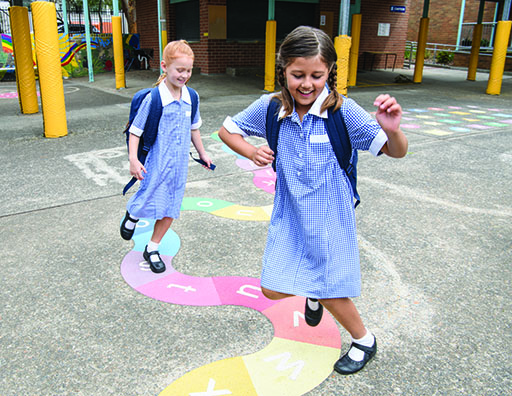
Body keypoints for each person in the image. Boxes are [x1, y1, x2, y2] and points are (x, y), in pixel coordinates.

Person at [218, 26, 407, 375]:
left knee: (331, 287)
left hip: (331, 216)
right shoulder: (271, 109)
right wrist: (251, 150)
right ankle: (312, 291)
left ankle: (364, 339)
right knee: (272, 288)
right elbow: (227, 129)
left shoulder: (343, 113)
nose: (307, 84)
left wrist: (393, 130)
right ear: (284, 71)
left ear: (329, 74)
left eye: (317, 75)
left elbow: (396, 152)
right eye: (297, 75)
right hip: (290, 213)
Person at [120, 40, 213, 273]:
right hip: (156, 161)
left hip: (180, 165)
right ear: (164, 66)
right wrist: (133, 159)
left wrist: (203, 153)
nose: (184, 75)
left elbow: (194, 128)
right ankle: (132, 214)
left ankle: (152, 248)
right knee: (148, 196)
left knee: (171, 206)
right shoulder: (154, 98)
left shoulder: (192, 97)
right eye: (179, 70)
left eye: (188, 70)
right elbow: (135, 130)